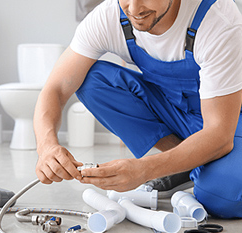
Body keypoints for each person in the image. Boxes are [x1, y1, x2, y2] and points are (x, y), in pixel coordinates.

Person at [34, 0, 242, 218]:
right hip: (175, 110)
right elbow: (55, 88)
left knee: (222, 197)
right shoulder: (109, 17)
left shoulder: (218, 21)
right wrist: (46, 146)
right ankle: (185, 165)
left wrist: (144, 169)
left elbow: (219, 133)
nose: (134, 9)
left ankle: (198, 165)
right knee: (91, 81)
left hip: (229, 119)